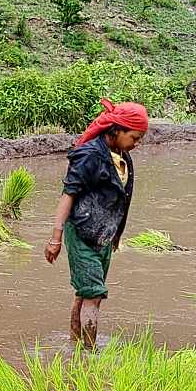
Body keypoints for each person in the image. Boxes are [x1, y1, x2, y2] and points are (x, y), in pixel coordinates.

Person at [44, 99, 147, 352]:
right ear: (117, 130)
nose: (137, 143)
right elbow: (68, 194)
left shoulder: (122, 156)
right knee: (94, 294)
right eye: (134, 137)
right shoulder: (89, 155)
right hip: (82, 232)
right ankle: (90, 354)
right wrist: (55, 238)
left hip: (103, 234)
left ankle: (75, 345)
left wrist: (116, 234)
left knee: (86, 291)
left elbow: (121, 198)